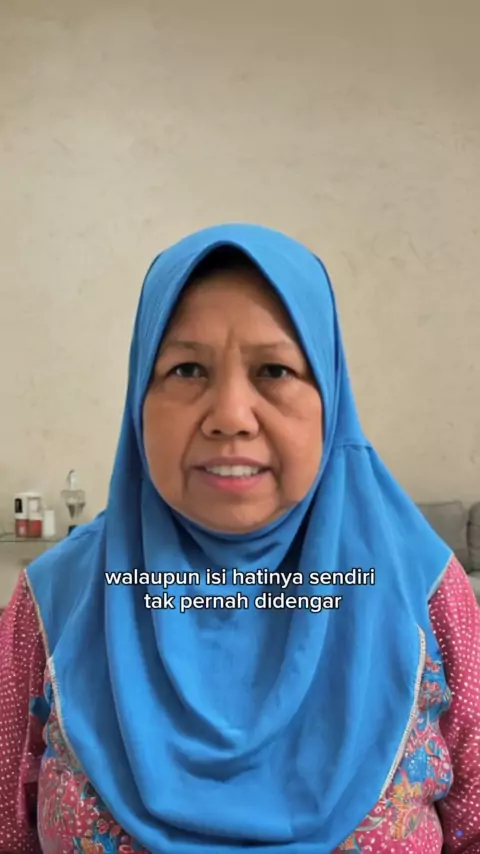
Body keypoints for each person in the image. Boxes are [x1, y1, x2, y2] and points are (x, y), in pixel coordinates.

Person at [0, 224, 479, 854]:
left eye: (275, 370)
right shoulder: (52, 601)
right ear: (139, 396)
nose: (230, 416)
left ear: (330, 397)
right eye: (186, 369)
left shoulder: (426, 591)